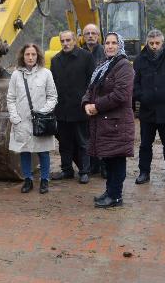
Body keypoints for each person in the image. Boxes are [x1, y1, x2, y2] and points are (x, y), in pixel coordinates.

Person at [82, 32, 134, 208]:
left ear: (120, 45)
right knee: (109, 159)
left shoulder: (124, 66)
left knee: (117, 160)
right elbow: (91, 88)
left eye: (114, 43)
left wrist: (96, 106)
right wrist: (86, 103)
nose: (110, 46)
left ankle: (116, 196)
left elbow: (120, 95)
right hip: (104, 122)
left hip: (117, 123)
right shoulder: (104, 65)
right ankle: (109, 191)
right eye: (107, 43)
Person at [133, 29, 165, 186]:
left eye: (157, 43)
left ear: (162, 43)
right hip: (147, 110)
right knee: (145, 145)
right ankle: (144, 172)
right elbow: (134, 82)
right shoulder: (140, 59)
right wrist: (141, 96)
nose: (154, 46)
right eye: (151, 43)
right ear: (147, 43)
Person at [7, 43, 58, 194]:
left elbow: (53, 96)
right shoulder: (16, 75)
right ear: (22, 56)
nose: (30, 57)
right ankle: (28, 180)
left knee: (43, 151)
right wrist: (14, 117)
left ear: (38, 56)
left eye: (33, 54)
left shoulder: (46, 73)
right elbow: (10, 98)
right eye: (27, 54)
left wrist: (43, 113)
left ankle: (44, 180)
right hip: (22, 121)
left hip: (41, 121)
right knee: (25, 151)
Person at [50, 31, 95, 184]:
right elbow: (53, 85)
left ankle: (84, 171)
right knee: (64, 142)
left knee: (83, 142)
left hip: (80, 108)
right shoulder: (55, 60)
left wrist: (89, 102)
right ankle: (67, 170)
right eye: (63, 41)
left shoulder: (86, 57)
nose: (65, 43)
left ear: (75, 40)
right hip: (62, 109)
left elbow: (92, 83)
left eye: (68, 40)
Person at [81, 23, 107, 179]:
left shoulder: (104, 53)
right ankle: (93, 166)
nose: (90, 35)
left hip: (101, 100)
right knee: (88, 135)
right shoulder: (81, 53)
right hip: (86, 99)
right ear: (83, 37)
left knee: (102, 134)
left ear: (98, 36)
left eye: (93, 33)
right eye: (87, 33)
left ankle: (104, 166)